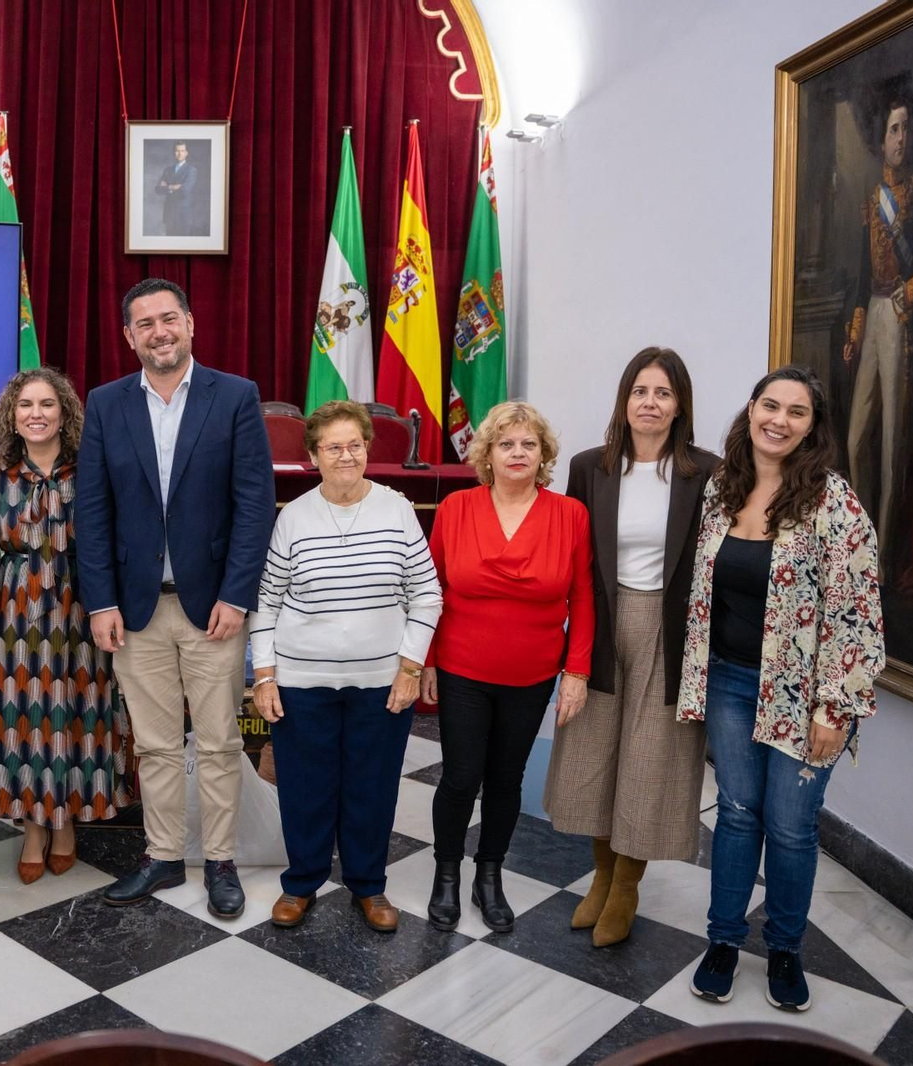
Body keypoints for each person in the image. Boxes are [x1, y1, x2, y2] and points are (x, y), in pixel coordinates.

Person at [684, 366, 883, 1012]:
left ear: (811, 426)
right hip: (729, 682)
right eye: (770, 406)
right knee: (737, 813)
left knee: (792, 827)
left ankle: (785, 949)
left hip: (806, 695)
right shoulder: (723, 489)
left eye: (797, 412)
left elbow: (857, 613)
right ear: (750, 410)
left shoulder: (833, 502)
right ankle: (722, 940)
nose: (780, 420)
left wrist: (836, 707)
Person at [76, 277, 275, 919]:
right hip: (134, 611)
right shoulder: (106, 404)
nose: (158, 332)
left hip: (214, 609)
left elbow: (254, 505)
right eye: (145, 323)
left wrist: (237, 596)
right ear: (128, 335)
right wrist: (101, 602)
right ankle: (162, 857)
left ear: (190, 323)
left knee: (218, 743)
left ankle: (219, 861)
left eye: (169, 318)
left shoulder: (235, 396)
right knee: (156, 745)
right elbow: (93, 511)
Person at [542, 348, 719, 947]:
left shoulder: (706, 473)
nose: (650, 403)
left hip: (669, 630)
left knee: (650, 759)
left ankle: (626, 887)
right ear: (624, 400)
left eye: (663, 393)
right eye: (640, 391)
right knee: (593, 752)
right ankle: (601, 875)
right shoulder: (590, 467)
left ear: (679, 405)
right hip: (601, 620)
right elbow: (574, 557)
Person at [251, 401, 441, 932]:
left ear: (367, 448)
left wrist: (410, 668)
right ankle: (301, 884)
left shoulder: (397, 510)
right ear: (313, 456)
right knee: (305, 788)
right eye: (333, 447)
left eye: (354, 444)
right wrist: (264, 676)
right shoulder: (294, 516)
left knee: (371, 788)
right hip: (301, 681)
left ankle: (368, 885)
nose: (346, 455)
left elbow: (427, 595)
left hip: (381, 683)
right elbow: (267, 600)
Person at [420, 401, 592, 934]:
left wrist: (577, 672)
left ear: (543, 455)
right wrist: (425, 660)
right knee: (460, 776)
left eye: (528, 444)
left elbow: (584, 597)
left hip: (532, 674)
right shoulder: (456, 508)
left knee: (505, 779)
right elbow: (430, 589)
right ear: (488, 454)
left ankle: (488, 876)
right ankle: (446, 874)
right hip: (462, 667)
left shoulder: (570, 515)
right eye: (506, 444)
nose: (518, 453)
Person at [0, 368, 128, 883]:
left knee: (77, 713)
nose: (35, 414)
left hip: (81, 604)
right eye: (25, 405)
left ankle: (66, 823)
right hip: (15, 610)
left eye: (46, 404)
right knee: (22, 716)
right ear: (12, 416)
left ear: (65, 413)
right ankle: (33, 828)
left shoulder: (92, 470)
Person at [841, 76, 913, 565]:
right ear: (880, 140)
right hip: (875, 312)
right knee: (857, 439)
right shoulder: (871, 199)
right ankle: (862, 538)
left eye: (905, 130)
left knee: (892, 443)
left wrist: (910, 295)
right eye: (893, 130)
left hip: (900, 314)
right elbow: (863, 275)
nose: (901, 139)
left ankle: (882, 554)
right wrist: (856, 331)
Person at [154, 141, 198, 236]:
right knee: (169, 242)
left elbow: (185, 190)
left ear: (186, 153)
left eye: (182, 151)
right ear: (174, 153)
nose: (179, 153)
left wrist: (167, 186)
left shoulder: (191, 170)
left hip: (183, 215)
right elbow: (158, 189)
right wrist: (172, 187)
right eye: (177, 151)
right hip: (169, 214)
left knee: (184, 243)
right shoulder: (168, 170)